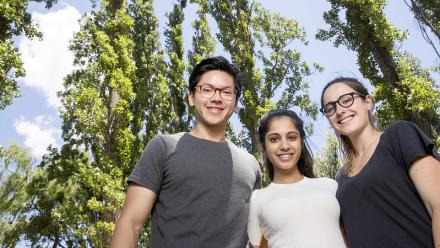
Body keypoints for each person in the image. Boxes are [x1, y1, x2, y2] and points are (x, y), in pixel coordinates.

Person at [110, 56, 262, 248]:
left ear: (235, 102)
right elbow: (130, 223)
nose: (216, 98)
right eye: (206, 90)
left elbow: (258, 239)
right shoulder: (163, 147)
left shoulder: (251, 165)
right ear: (191, 97)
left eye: (226, 92)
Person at [320, 77, 440, 247]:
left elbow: (437, 205)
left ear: (368, 102)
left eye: (347, 100)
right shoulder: (340, 178)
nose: (339, 110)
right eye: (330, 108)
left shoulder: (399, 135)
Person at [247, 109, 346, 248]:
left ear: (301, 142)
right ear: (263, 146)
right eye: (274, 139)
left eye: (292, 137)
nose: (285, 146)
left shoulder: (330, 186)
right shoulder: (257, 198)